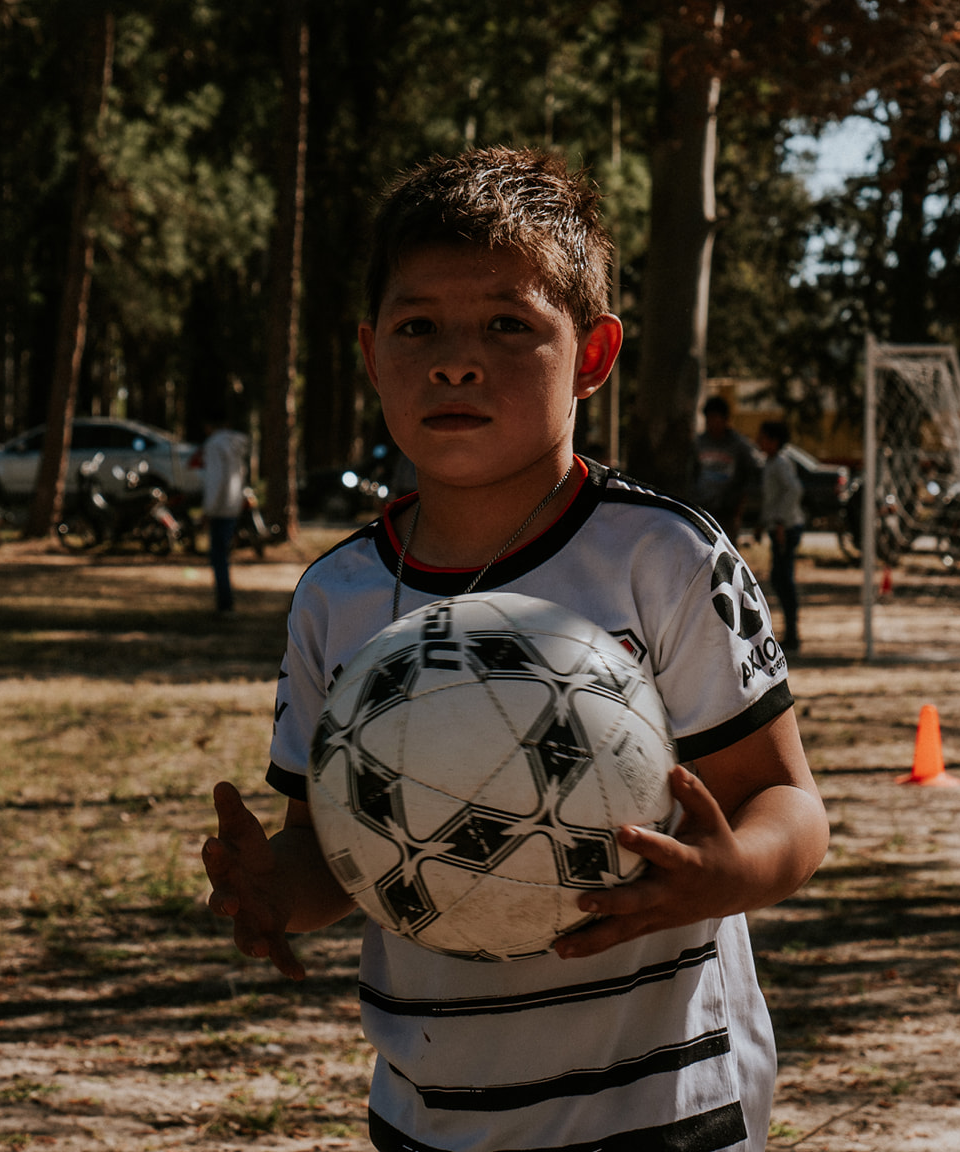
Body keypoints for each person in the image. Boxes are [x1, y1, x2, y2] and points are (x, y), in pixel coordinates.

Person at [201, 147, 828, 1152]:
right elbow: (333, 849)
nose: (455, 361)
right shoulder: (337, 596)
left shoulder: (663, 557)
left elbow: (786, 802)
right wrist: (277, 888)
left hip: (663, 1107)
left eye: (507, 324)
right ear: (370, 354)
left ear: (593, 354)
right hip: (430, 1113)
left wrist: (730, 872)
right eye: (418, 327)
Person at [758, 419, 806, 653]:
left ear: (774, 440)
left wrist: (780, 522)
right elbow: (772, 498)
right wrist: (763, 523)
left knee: (783, 579)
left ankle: (792, 634)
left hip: (787, 528)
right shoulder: (771, 463)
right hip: (779, 527)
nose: (759, 442)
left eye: (763, 437)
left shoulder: (780, 462)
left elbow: (793, 490)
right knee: (779, 578)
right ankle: (790, 632)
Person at [197, 408, 251, 613]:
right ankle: (225, 601)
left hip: (220, 507)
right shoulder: (235, 444)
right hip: (233, 504)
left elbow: (215, 479)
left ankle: (225, 603)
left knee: (218, 556)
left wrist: (208, 510)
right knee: (223, 554)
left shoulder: (214, 445)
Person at [692, 394, 763, 540]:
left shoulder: (739, 445)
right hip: (702, 505)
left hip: (727, 509)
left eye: (715, 418)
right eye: (709, 419)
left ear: (725, 419)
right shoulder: (699, 443)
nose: (712, 423)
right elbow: (692, 472)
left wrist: (740, 500)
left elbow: (754, 471)